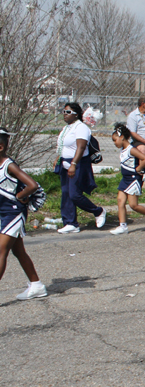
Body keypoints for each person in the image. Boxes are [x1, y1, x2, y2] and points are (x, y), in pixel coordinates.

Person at [0, 127, 48, 301]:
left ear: (0, 147)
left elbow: (32, 185)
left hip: (13, 214)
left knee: (1, 251)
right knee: (18, 251)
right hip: (2, 214)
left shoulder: (9, 165)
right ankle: (36, 285)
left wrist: (20, 196)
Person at [54, 102, 106, 234]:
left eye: (68, 112)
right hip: (64, 163)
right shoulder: (67, 128)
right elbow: (63, 146)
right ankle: (70, 223)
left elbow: (81, 148)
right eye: (64, 112)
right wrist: (58, 159)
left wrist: (73, 164)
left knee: (75, 195)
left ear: (76, 114)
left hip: (77, 164)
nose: (64, 115)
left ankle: (98, 211)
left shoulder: (81, 127)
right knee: (66, 193)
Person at [108, 123, 145, 235]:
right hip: (125, 179)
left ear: (122, 137)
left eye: (115, 140)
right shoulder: (123, 149)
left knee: (133, 205)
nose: (114, 143)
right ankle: (123, 226)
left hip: (133, 179)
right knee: (120, 201)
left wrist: (139, 168)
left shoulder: (131, 149)